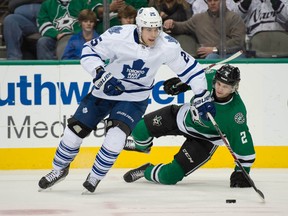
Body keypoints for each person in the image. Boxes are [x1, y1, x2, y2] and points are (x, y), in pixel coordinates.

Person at [38, 7, 216, 193]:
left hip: (134, 99)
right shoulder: (118, 36)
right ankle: (58, 169)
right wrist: (100, 75)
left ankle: (95, 176)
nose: (154, 34)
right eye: (149, 29)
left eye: (157, 29)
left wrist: (202, 95)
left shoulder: (167, 45)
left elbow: (193, 71)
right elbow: (89, 51)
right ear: (138, 27)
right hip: (104, 92)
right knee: (73, 132)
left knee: (116, 138)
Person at [123, 64, 255, 188]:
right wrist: (181, 84)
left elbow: (243, 145)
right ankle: (141, 147)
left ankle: (146, 170)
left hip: (204, 140)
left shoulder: (235, 114)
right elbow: (192, 76)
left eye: (225, 87)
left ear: (234, 88)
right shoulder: (209, 77)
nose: (219, 89)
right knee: (138, 129)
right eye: (219, 84)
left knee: (169, 176)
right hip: (183, 118)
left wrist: (242, 172)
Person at [163, 0, 246, 59]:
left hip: (233, 55)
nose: (212, 3)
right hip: (209, 57)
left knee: (212, 56)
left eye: (216, 0)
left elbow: (238, 42)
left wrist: (214, 49)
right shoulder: (199, 18)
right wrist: (172, 24)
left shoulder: (234, 18)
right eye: (209, 0)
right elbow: (182, 27)